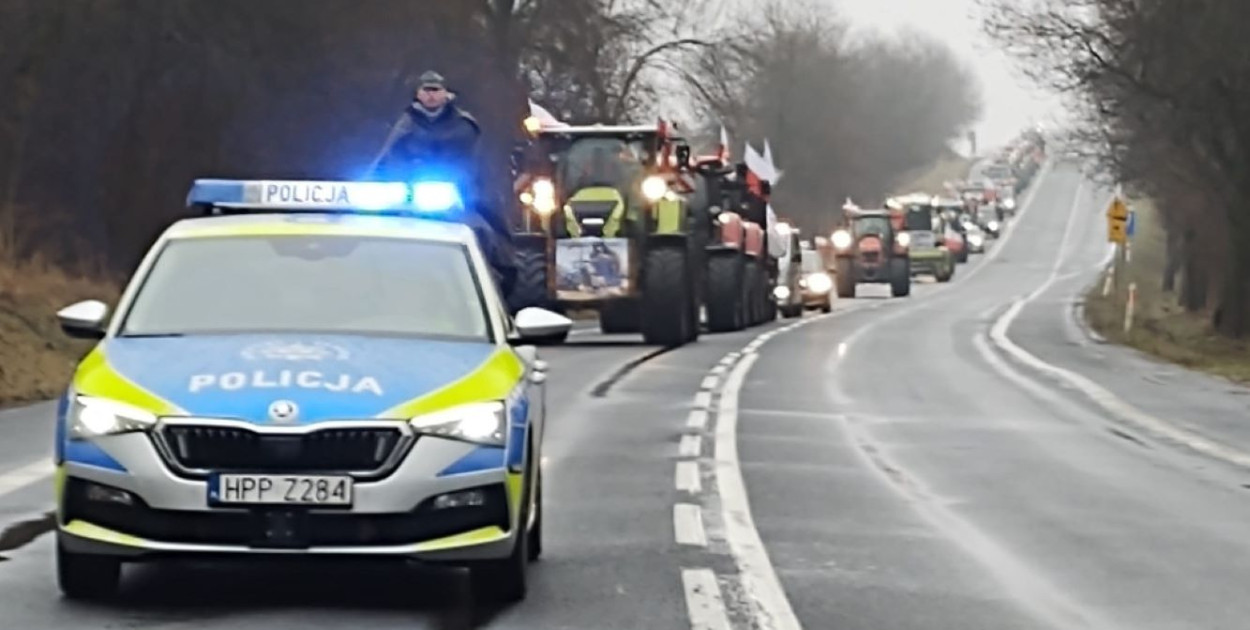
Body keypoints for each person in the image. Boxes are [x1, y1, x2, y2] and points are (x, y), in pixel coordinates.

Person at [372, 71, 519, 304]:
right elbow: (387, 159)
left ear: (446, 94)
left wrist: (461, 182)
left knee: (484, 228)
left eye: (435, 90)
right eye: (426, 91)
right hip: (407, 196)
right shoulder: (404, 125)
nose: (431, 96)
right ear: (418, 94)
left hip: (457, 194)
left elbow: (471, 162)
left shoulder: (464, 125)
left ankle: (496, 278)